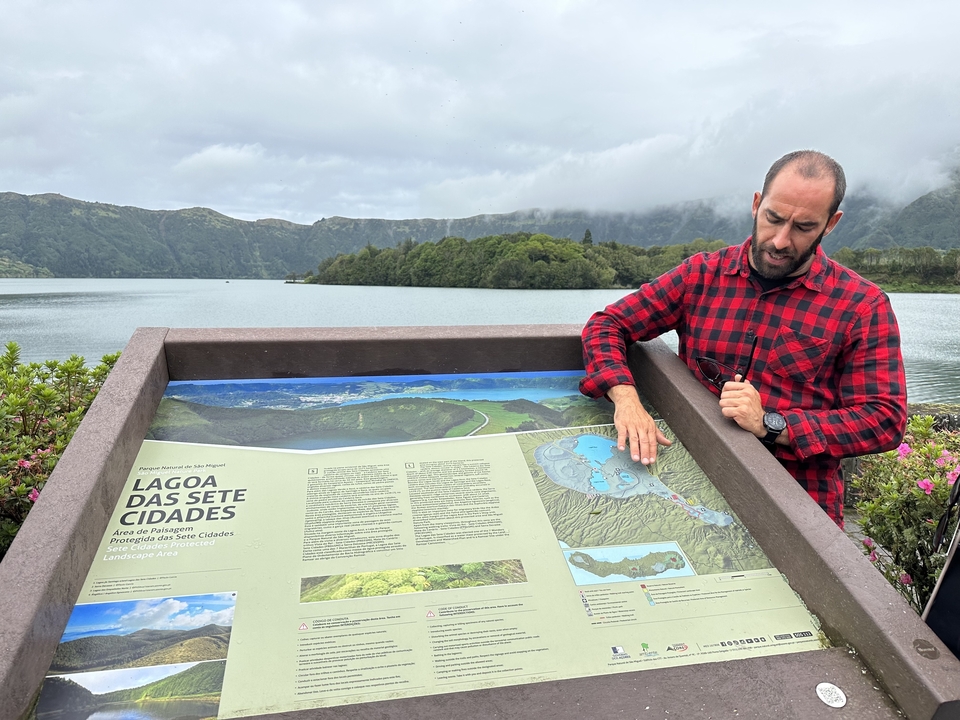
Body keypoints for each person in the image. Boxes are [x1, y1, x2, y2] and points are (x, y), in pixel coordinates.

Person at [579, 150, 907, 527]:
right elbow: (607, 324)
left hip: (799, 508)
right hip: (693, 487)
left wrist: (773, 424)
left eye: (803, 227)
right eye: (774, 218)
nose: (781, 240)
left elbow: (884, 419)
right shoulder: (701, 275)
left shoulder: (861, 305)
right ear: (756, 204)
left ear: (830, 224)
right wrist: (626, 399)